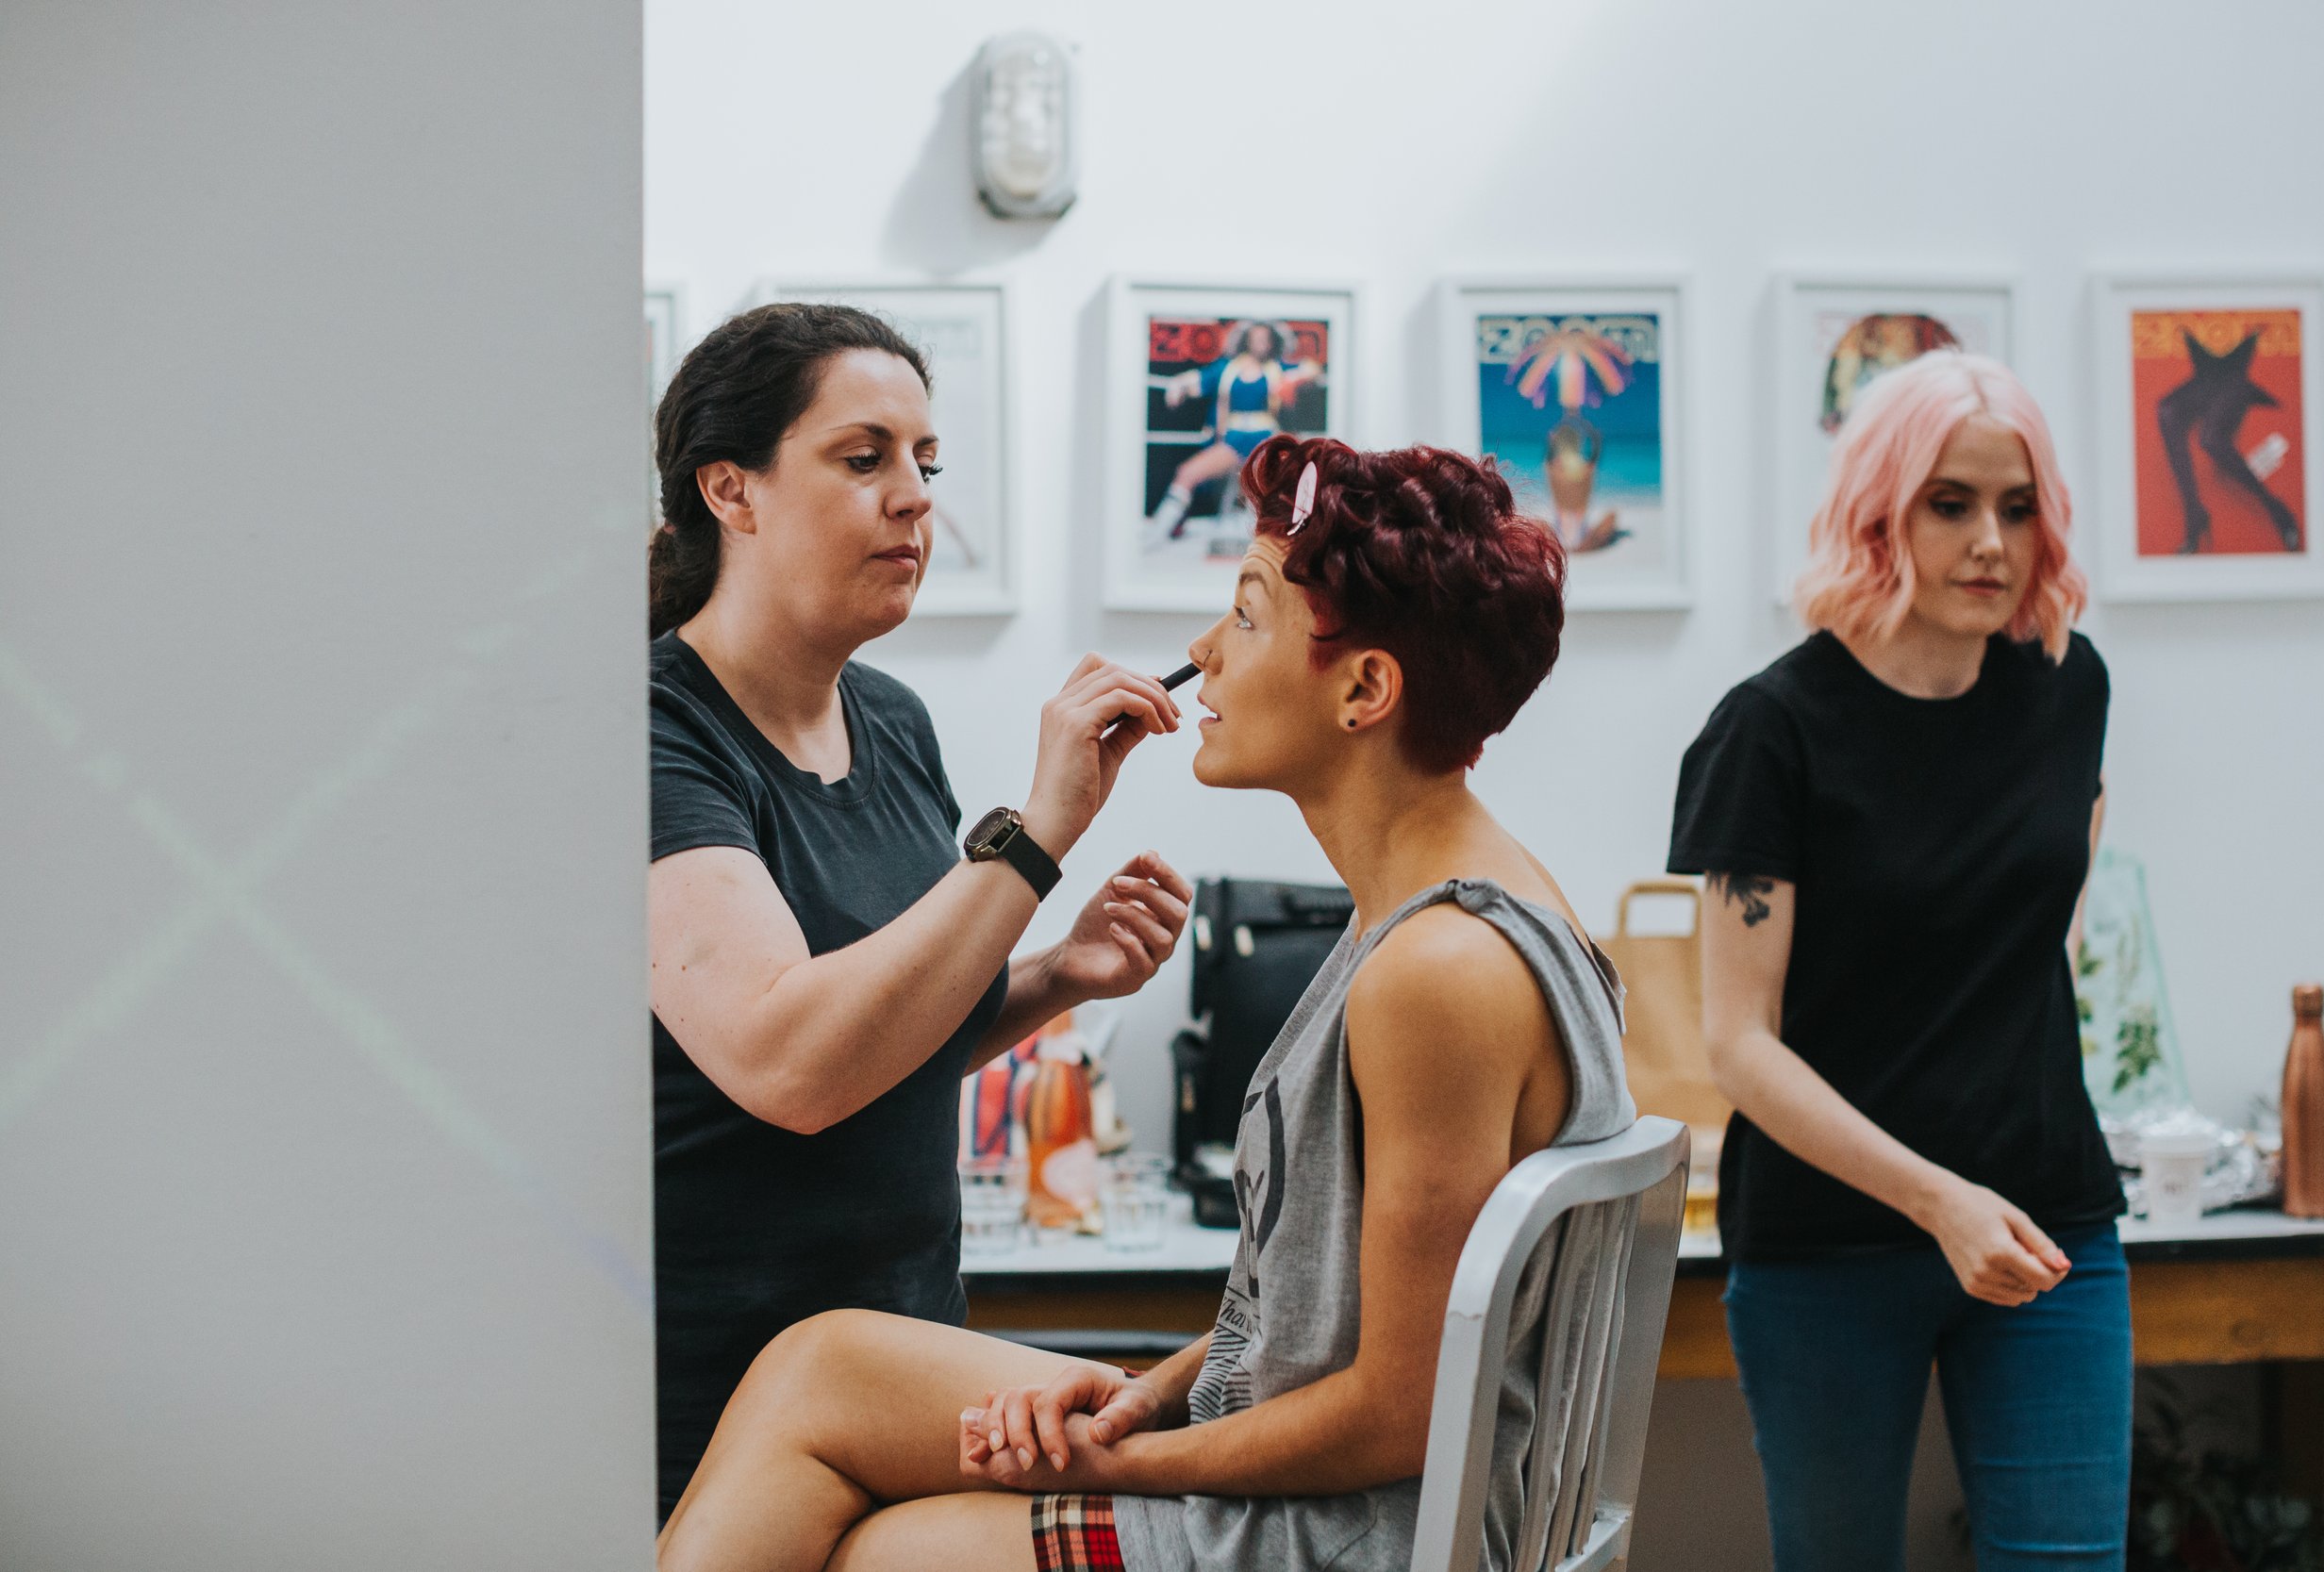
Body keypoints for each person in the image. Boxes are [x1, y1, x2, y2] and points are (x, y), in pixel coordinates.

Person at [655, 435, 1635, 1572]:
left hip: (1351, 1533)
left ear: (1365, 688)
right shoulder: (1449, 910)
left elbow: (1396, 1412)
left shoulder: (1438, 970)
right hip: (1350, 1487)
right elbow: (1306, 1324)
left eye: (1248, 614)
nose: (1202, 650)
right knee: (820, 1363)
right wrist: (1139, 1400)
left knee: (877, 1549)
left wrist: (1119, 1459)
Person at [646, 303, 1195, 1522]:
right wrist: (1035, 836)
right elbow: (792, 1059)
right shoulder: (651, 731)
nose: (914, 497)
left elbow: (894, 1032)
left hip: (905, 1357)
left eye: (927, 463)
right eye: (865, 457)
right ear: (729, 487)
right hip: (718, 1403)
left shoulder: (891, 719)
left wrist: (1056, 974)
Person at [1668, 351, 2126, 1570]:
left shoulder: (2069, 688)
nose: (1991, 540)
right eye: (1952, 502)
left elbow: (2049, 915)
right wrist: (1937, 1195)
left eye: (2017, 508)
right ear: (1882, 508)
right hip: (1829, 1243)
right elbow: (1737, 1040)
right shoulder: (1770, 730)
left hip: (2047, 1225)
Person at [1146, 320, 1323, 539]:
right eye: (1257, 338)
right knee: (1188, 473)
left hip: (1265, 440)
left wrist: (1295, 379)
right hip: (1232, 440)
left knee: (1280, 482)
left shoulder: (1278, 368)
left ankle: (1296, 537)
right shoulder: (1227, 369)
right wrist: (1177, 386)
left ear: (1272, 342)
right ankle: (1158, 533)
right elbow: (1196, 380)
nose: (1261, 343)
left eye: (1265, 339)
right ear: (1246, 340)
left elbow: (1312, 368)